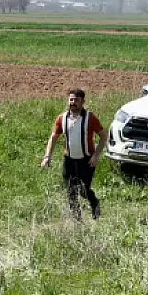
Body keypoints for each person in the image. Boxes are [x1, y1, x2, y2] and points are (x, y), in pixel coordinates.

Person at [43, 87, 105, 220]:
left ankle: (95, 204)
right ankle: (77, 219)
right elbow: (53, 137)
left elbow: (103, 137)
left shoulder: (91, 118)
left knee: (83, 190)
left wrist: (96, 156)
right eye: (71, 99)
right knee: (70, 191)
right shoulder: (62, 118)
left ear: (83, 102)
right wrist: (47, 157)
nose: (73, 102)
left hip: (87, 160)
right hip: (69, 160)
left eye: (76, 100)